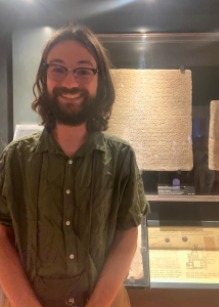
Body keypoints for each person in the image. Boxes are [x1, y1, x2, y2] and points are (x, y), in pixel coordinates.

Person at [0, 25, 149, 307]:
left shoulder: (122, 157)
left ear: (99, 81)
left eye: (82, 70)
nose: (70, 82)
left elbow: (127, 236)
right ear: (44, 77)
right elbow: (1, 239)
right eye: (58, 69)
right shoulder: (15, 158)